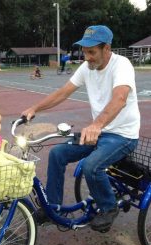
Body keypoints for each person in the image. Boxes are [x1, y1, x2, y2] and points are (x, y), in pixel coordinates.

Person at [22, 25, 140, 232]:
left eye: (92, 52)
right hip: (99, 133)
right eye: (84, 51)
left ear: (107, 49)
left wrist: (96, 124)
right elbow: (63, 92)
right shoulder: (87, 68)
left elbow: (120, 98)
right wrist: (34, 108)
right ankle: (53, 207)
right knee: (57, 153)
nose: (87, 57)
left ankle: (109, 207)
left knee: (92, 166)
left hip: (122, 136)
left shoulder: (122, 65)